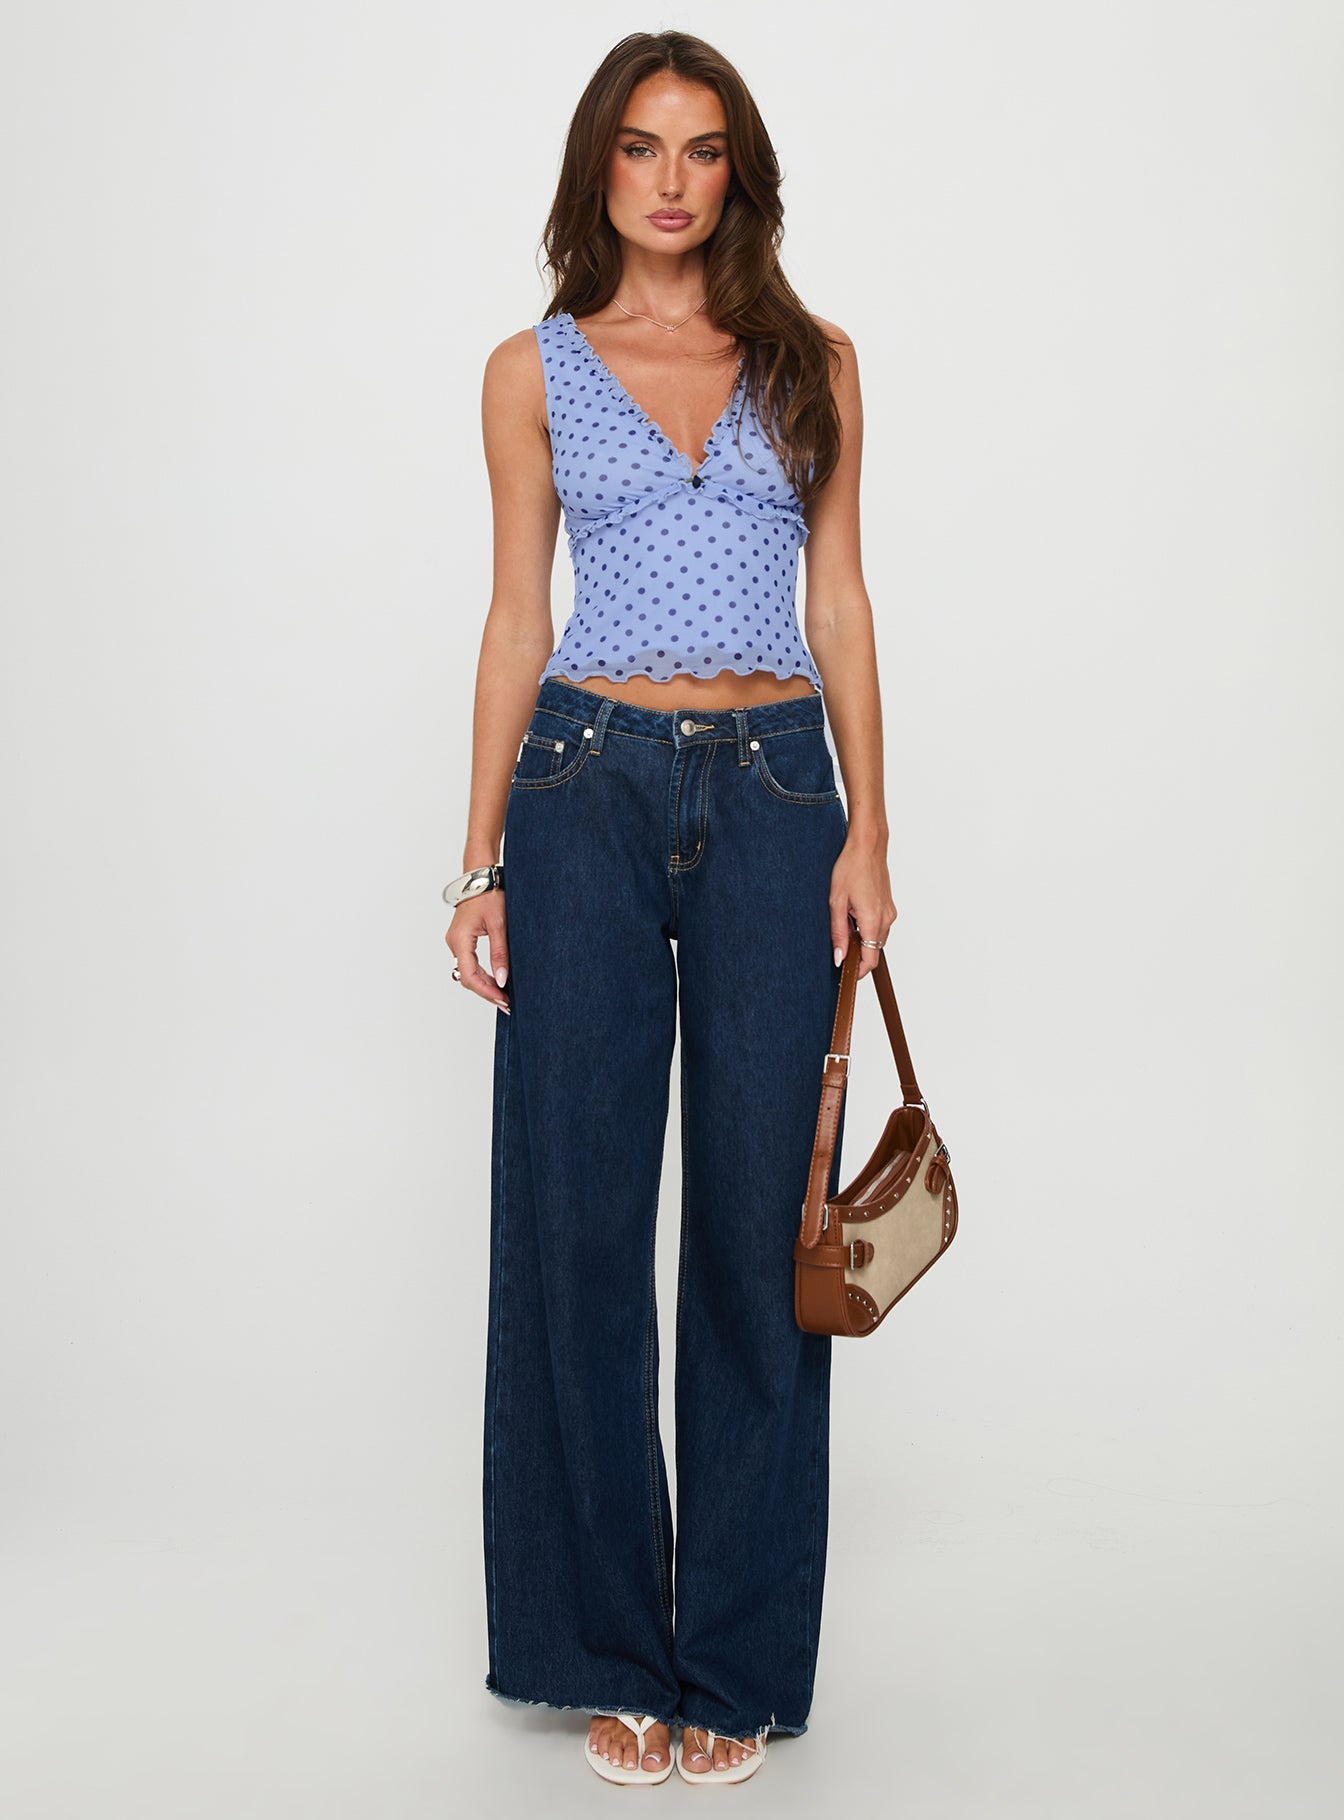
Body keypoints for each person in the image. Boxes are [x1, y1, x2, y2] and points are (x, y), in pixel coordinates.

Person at [443, 29, 896, 1787]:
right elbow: (514, 616)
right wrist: (479, 859)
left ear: (737, 176)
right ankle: (600, 1649)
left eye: (702, 151)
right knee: (574, 1216)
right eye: (641, 148)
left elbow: (840, 601)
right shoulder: (532, 369)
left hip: (779, 792)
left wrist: (870, 830)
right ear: (600, 170)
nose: (671, 181)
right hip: (585, 787)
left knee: (764, 1230)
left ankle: (736, 1665)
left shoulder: (814, 359)